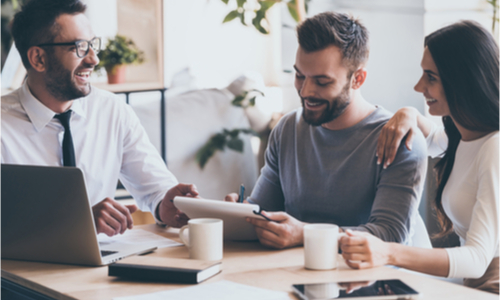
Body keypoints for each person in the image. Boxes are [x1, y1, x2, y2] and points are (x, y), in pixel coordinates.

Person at [225, 12, 428, 249]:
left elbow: (391, 235)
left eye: (322, 82)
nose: (305, 91)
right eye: (300, 76)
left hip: (371, 281)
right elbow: (264, 213)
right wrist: (236, 214)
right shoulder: (287, 130)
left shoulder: (399, 140)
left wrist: (306, 234)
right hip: (293, 274)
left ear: (358, 79)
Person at [1, 0, 197, 237]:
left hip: (102, 266)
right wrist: (77, 223)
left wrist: (164, 205)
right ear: (38, 59)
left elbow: (154, 188)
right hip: (20, 270)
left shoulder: (112, 111)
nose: (94, 59)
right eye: (80, 47)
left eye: (92, 45)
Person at [339, 21, 499, 294]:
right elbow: (432, 139)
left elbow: (475, 260)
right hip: (472, 282)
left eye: (431, 77)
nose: (418, 86)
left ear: (463, 81)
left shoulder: (494, 148)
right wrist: (408, 113)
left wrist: (388, 252)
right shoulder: (465, 134)